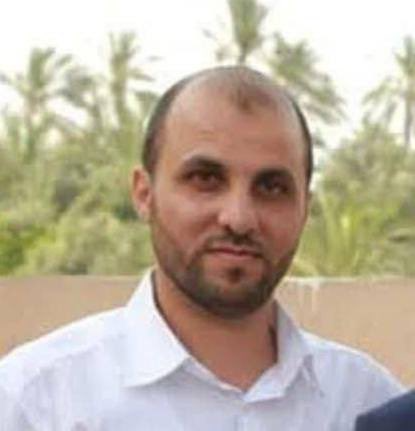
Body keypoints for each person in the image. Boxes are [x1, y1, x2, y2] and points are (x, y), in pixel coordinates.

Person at [0, 66, 404, 430]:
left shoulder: (366, 403)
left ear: (304, 208)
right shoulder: (37, 403)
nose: (239, 218)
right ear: (144, 194)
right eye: (205, 179)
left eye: (271, 187)